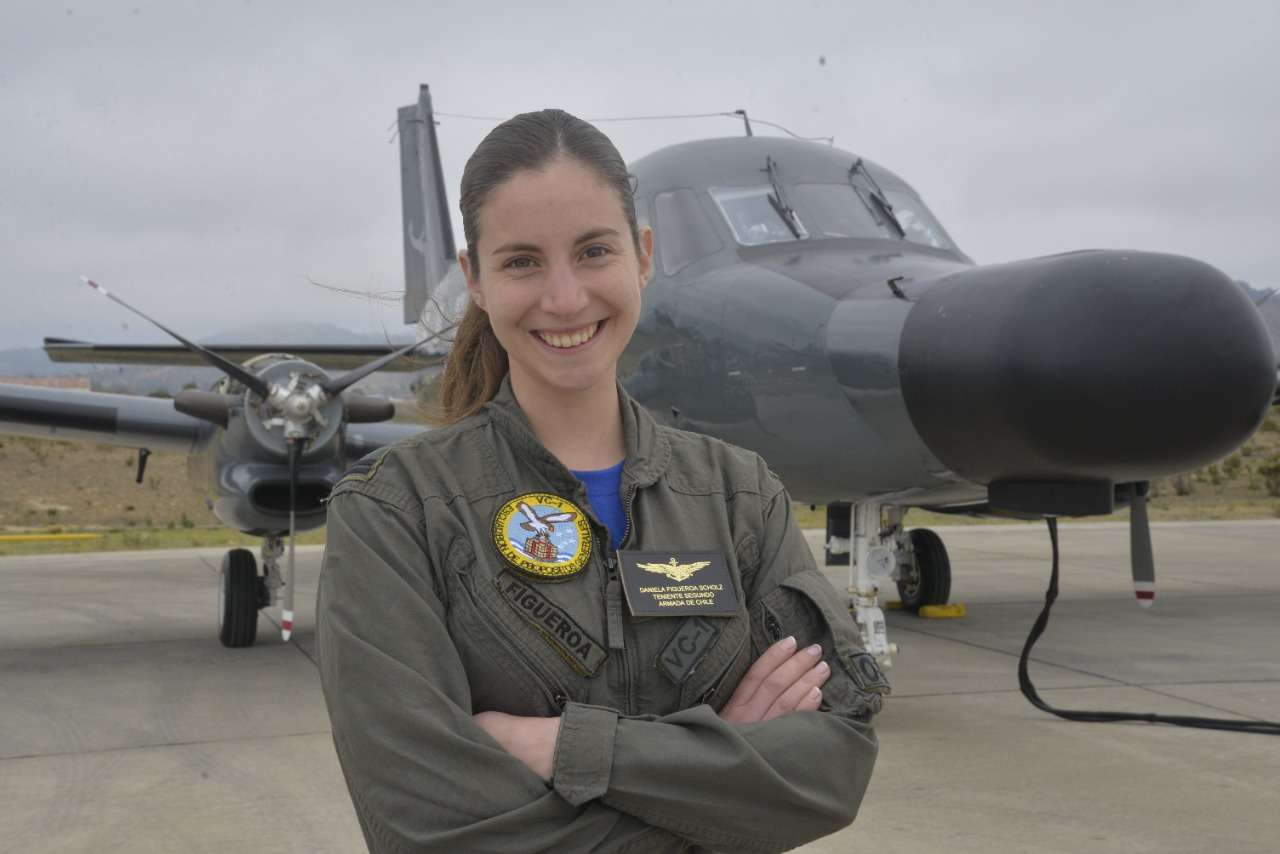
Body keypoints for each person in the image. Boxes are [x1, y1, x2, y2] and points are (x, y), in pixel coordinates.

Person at [316, 108, 885, 854]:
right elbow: (429, 829)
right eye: (522, 261)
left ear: (643, 257)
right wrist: (726, 775)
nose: (563, 298)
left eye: (593, 251)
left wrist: (567, 751)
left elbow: (832, 766)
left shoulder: (739, 495)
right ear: (475, 281)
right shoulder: (396, 514)